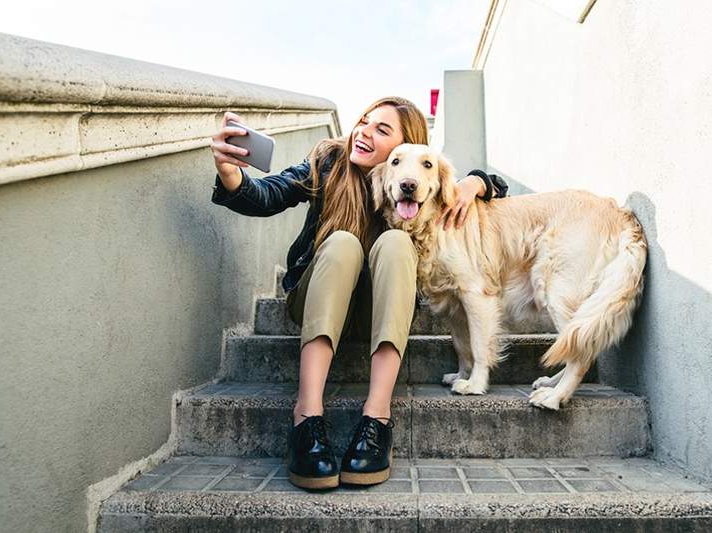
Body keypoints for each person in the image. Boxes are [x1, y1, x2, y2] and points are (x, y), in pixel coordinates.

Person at [209, 96, 506, 490]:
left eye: (382, 130)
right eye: (365, 121)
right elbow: (269, 195)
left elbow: (490, 186)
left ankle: (377, 418)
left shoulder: (415, 192)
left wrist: (477, 181)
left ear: (404, 150)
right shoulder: (329, 162)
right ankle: (307, 416)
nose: (364, 132)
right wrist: (232, 175)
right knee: (344, 243)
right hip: (316, 299)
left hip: (375, 313)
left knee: (399, 244)